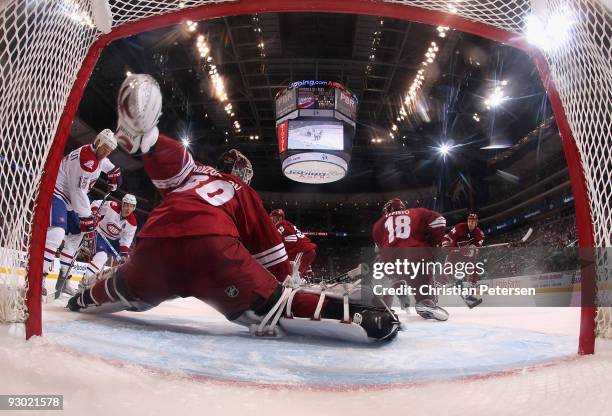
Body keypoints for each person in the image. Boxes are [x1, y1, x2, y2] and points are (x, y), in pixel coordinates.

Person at [67, 73, 399, 343]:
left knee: (122, 289)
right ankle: (365, 314)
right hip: (213, 247)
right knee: (276, 306)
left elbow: (172, 167)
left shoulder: (191, 172)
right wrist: (281, 286)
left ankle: (81, 299)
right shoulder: (240, 189)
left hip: (155, 242)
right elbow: (272, 254)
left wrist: (151, 144)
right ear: (244, 174)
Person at [44, 129, 121, 296]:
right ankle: (39, 276)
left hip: (70, 199)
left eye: (110, 150)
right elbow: (78, 191)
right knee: (57, 233)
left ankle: (63, 277)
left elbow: (103, 161)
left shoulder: (95, 153)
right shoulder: (87, 161)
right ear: (98, 142)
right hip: (57, 193)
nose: (106, 152)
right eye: (105, 147)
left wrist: (113, 171)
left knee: (76, 236)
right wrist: (86, 217)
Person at [371, 198, 449, 321]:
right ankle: (426, 302)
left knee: (382, 266)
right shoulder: (416, 212)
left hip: (390, 259)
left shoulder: (378, 224)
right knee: (424, 272)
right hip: (415, 254)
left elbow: (378, 250)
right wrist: (433, 243)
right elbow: (440, 221)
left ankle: (382, 307)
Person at [79, 194, 137, 289]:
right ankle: (84, 283)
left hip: (115, 242)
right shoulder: (112, 206)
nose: (128, 209)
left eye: (131, 206)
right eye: (126, 205)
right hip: (101, 234)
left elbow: (126, 241)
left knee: (125, 262)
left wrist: (123, 254)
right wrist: (94, 214)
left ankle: (114, 287)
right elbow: (96, 204)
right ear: (122, 204)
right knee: (101, 257)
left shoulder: (133, 223)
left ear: (134, 208)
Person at [442, 213, 485, 308]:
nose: (470, 223)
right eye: (469, 221)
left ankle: (469, 293)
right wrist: (446, 244)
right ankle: (440, 288)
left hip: (465, 255)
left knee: (474, 270)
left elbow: (475, 250)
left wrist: (469, 251)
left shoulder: (479, 234)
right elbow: (447, 237)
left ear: (476, 223)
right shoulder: (460, 227)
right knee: (447, 270)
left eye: (473, 222)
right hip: (454, 252)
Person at [269, 208, 317, 282]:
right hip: (306, 251)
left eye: (273, 218)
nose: (271, 220)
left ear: (279, 218)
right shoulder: (288, 224)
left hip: (302, 251)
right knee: (300, 272)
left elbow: (277, 240)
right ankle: (309, 278)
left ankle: (302, 281)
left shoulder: (280, 225)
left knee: (293, 276)